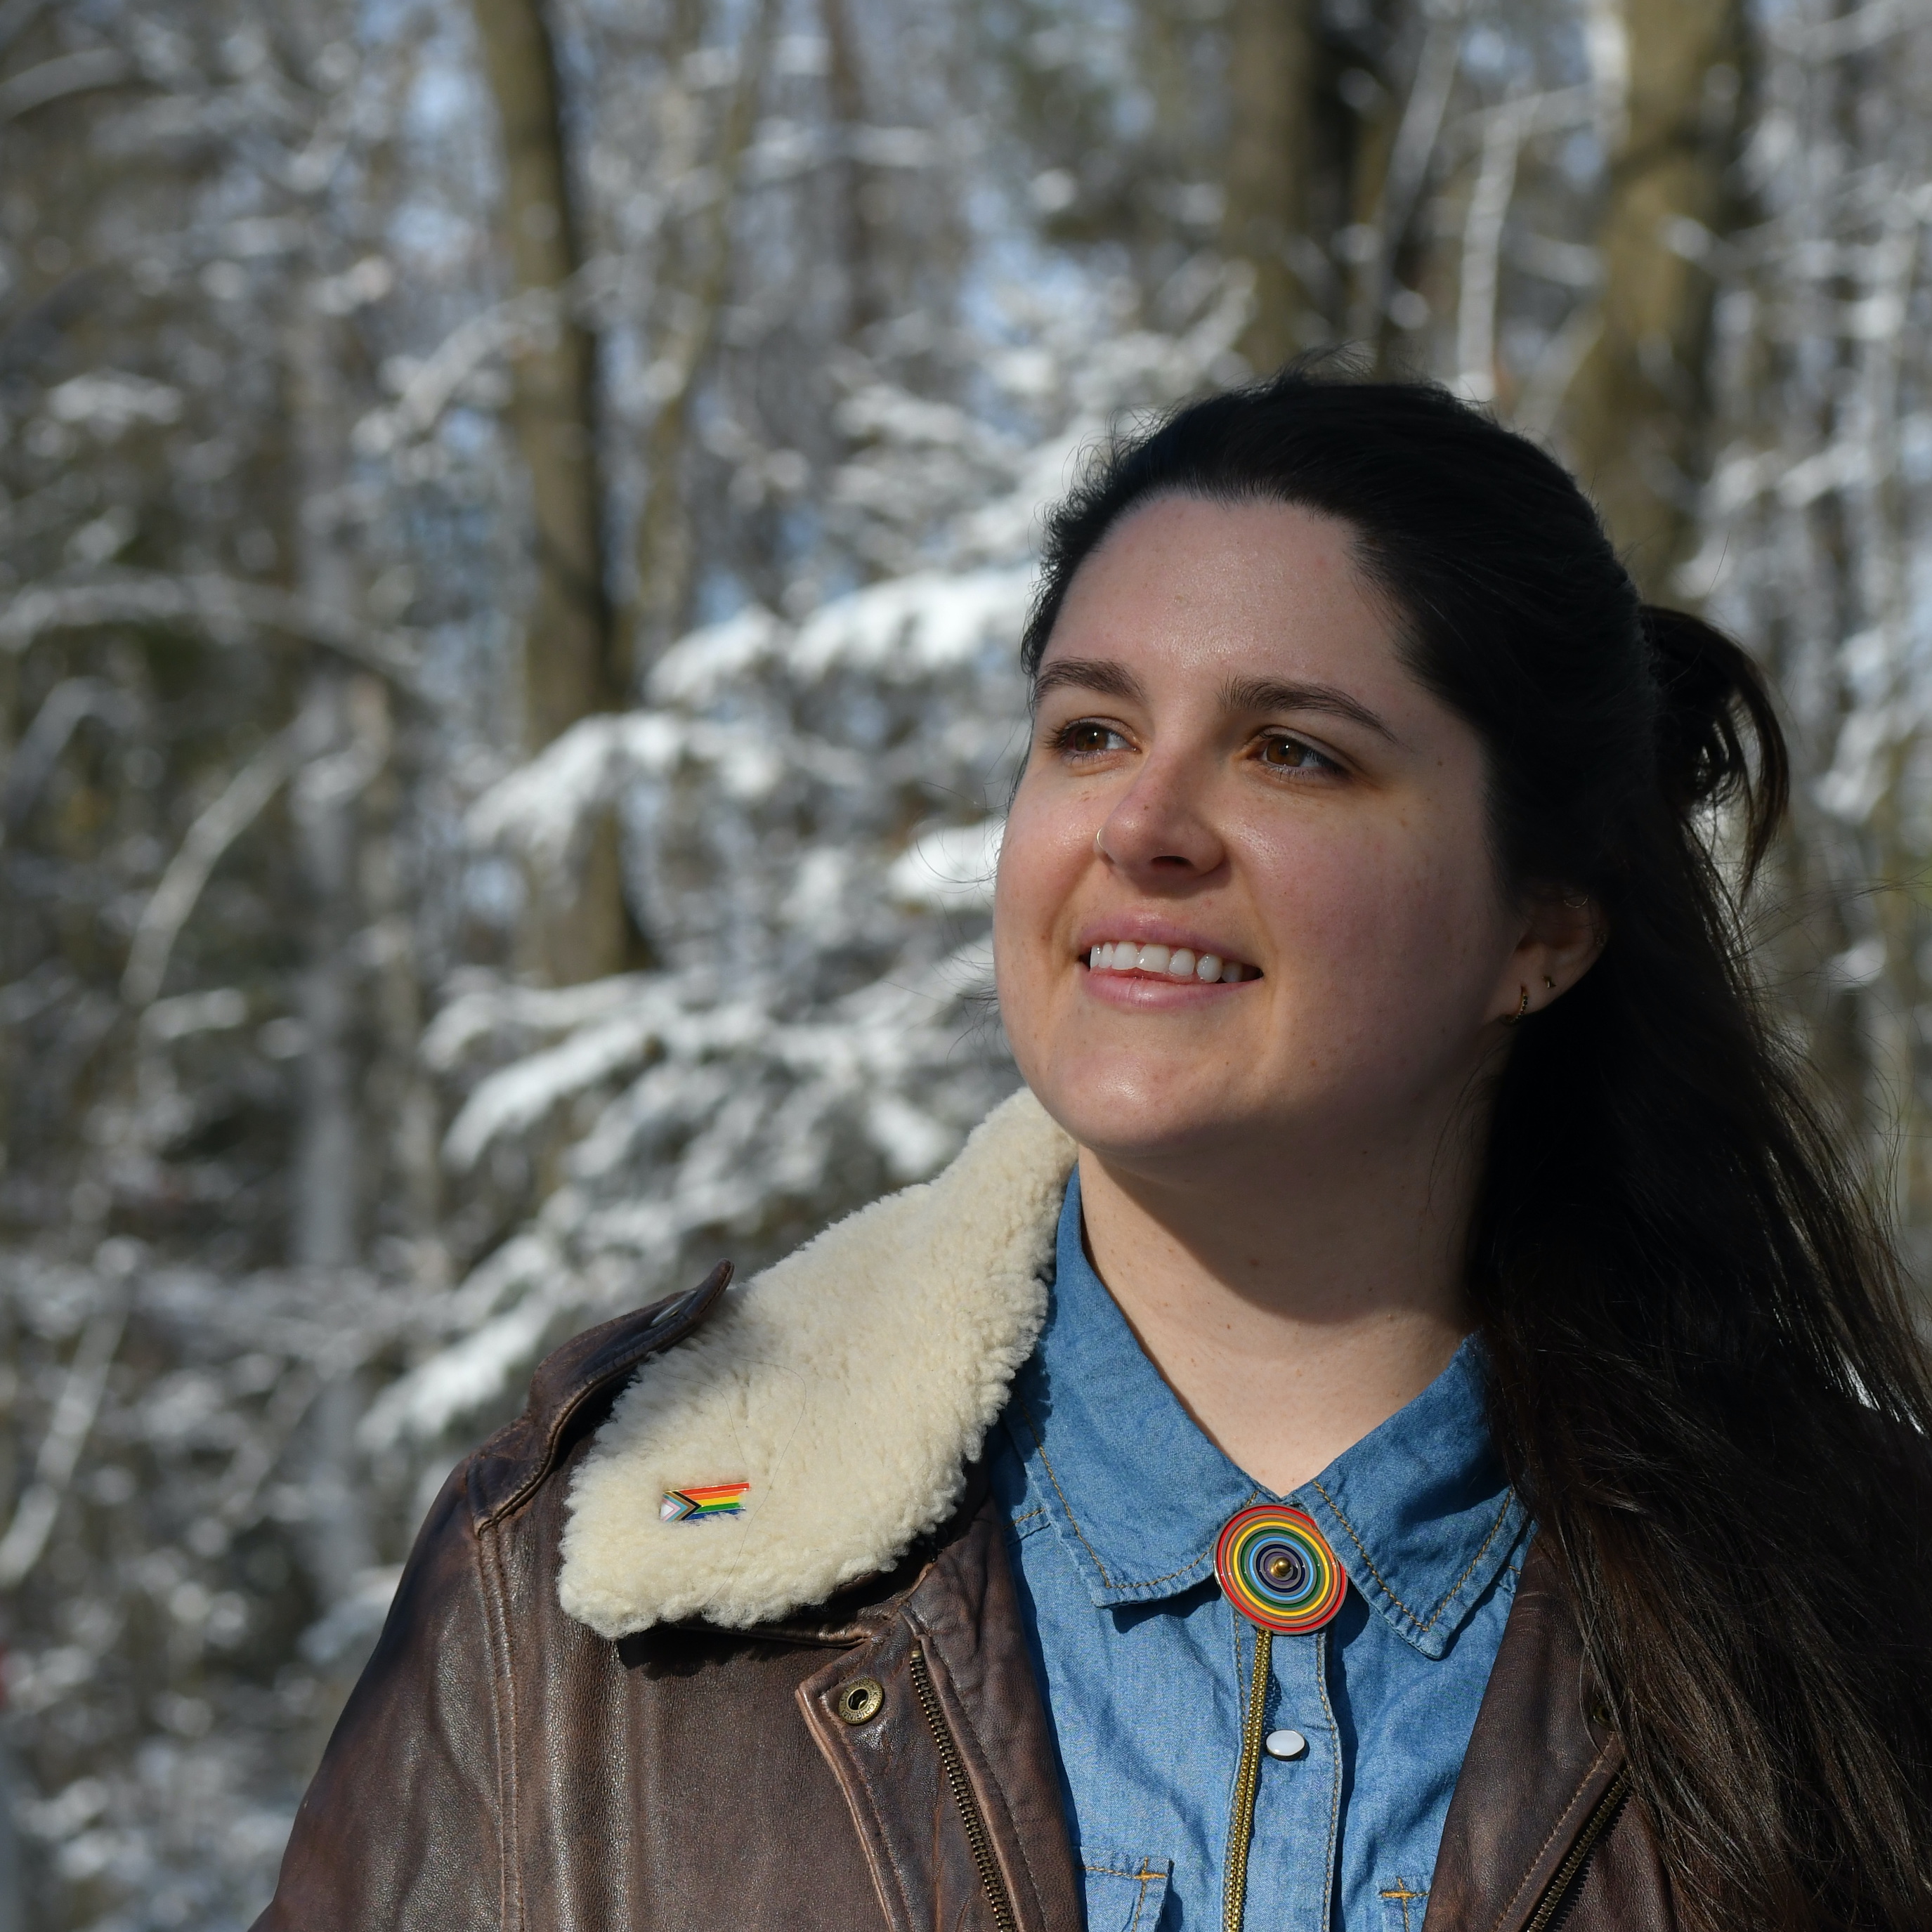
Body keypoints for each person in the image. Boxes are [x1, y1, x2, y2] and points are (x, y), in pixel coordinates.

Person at [254, 369, 1932, 1932]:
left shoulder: (1866, 1605)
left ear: (1542, 928)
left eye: (1292, 750)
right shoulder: (596, 1581)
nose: (1142, 825)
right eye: (1090, 731)